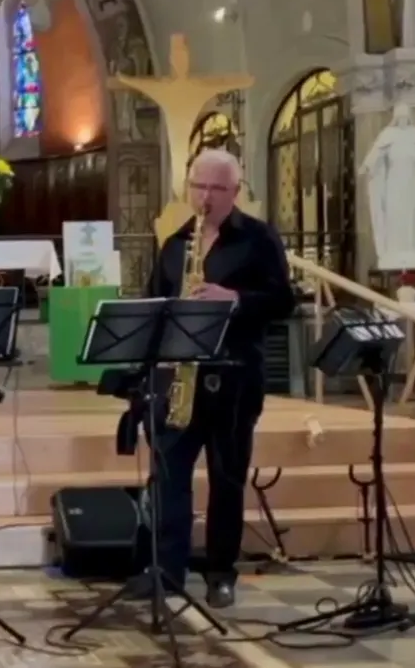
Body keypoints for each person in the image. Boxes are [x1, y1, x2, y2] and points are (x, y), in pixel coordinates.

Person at [146, 148, 295, 609]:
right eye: (198, 187)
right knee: (168, 478)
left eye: (216, 188)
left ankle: (220, 573)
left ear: (235, 191)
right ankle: (167, 572)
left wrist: (233, 298)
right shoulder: (175, 243)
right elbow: (154, 302)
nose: (205, 197)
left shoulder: (258, 238)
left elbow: (284, 301)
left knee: (226, 479)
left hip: (234, 379)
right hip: (180, 377)